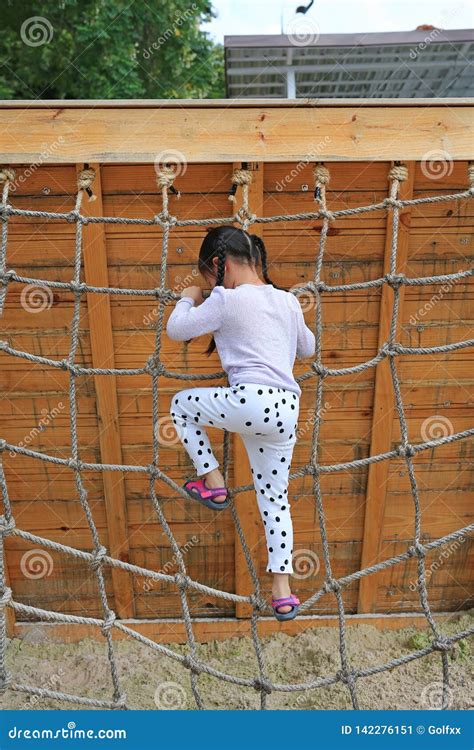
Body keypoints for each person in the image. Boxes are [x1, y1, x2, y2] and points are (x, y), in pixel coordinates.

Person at [166, 225, 315, 620]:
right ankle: (282, 592)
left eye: (208, 277)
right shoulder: (287, 301)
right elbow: (308, 348)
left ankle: (214, 483)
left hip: (250, 401)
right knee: (275, 499)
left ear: (222, 265)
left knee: (181, 406)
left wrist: (187, 298)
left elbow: (177, 329)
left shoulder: (224, 300)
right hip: (286, 411)